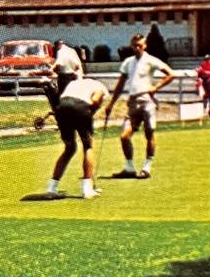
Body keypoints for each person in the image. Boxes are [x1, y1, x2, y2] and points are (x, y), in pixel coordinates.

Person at [106, 33, 177, 179]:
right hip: (132, 102)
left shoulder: (150, 60)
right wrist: (111, 104)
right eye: (135, 45)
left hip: (147, 101)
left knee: (149, 133)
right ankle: (129, 167)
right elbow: (120, 84)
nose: (137, 48)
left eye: (140, 45)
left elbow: (170, 74)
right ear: (132, 46)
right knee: (124, 136)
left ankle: (146, 167)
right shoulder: (128, 62)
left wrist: (155, 87)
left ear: (145, 46)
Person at [45, 74, 109, 199]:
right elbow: (95, 100)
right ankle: (87, 189)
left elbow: (62, 102)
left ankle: (51, 188)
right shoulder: (101, 87)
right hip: (81, 107)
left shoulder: (74, 83)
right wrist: (89, 114)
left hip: (62, 107)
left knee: (70, 148)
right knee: (88, 146)